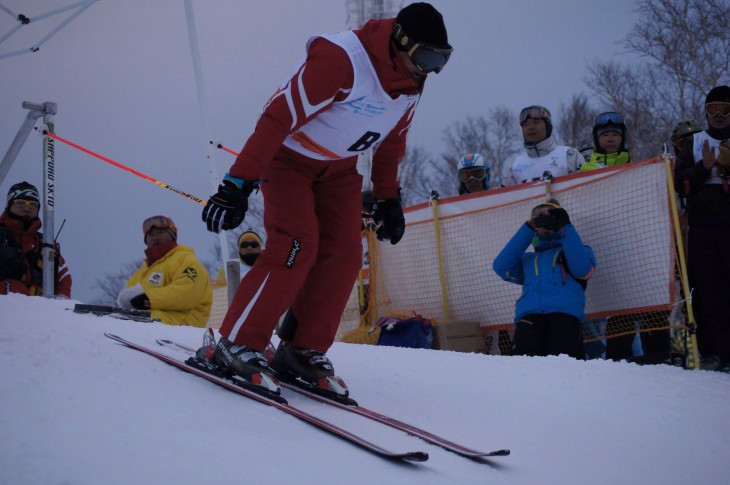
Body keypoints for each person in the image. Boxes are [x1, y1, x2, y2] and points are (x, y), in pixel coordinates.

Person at [199, 3, 452, 383]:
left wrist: (388, 199)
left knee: (347, 254)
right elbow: (277, 117)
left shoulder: (411, 83)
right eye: (427, 57)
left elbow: (391, 143)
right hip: (289, 159)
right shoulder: (342, 60)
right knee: (296, 245)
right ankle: (237, 341)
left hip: (339, 170)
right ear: (401, 42)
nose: (430, 69)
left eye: (440, 60)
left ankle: (302, 348)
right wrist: (237, 183)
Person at [674, 85, 730, 372]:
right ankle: (715, 353)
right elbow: (679, 183)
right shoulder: (695, 142)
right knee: (709, 292)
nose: (719, 115)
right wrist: (704, 167)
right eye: (713, 109)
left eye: (725, 109)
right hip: (704, 227)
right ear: (705, 112)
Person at [493, 202, 595, 358]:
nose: (543, 221)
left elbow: (582, 270)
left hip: (564, 315)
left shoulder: (577, 251)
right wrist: (527, 230)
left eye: (549, 216)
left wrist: (565, 227)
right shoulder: (529, 259)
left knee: (567, 366)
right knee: (524, 366)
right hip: (529, 317)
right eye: (538, 217)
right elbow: (501, 267)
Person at [118, 215, 212, 327]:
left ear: (173, 235)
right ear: (146, 240)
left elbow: (187, 293)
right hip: (151, 323)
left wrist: (148, 299)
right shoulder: (139, 274)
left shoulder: (187, 260)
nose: (155, 237)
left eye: (161, 233)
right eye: (151, 235)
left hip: (182, 327)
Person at [0, 181, 72, 297]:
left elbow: (64, 276)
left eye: (33, 204)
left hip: (40, 310)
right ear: (9, 205)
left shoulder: (46, 244)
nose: (27, 208)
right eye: (20, 203)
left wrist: (61, 303)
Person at [501, 105, 584, 186]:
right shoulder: (514, 166)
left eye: (536, 122)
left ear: (548, 126)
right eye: (526, 124)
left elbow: (585, 190)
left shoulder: (569, 156)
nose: (530, 127)